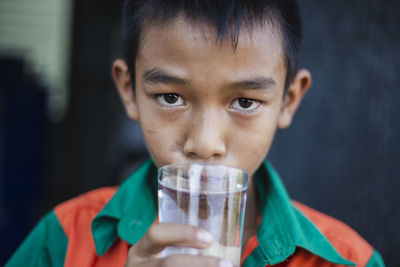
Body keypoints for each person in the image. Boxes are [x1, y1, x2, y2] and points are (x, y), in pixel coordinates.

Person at [6, 0, 385, 266]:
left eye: (245, 102)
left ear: (288, 100)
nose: (204, 144)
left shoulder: (347, 260)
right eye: (171, 97)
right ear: (129, 90)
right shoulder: (62, 241)